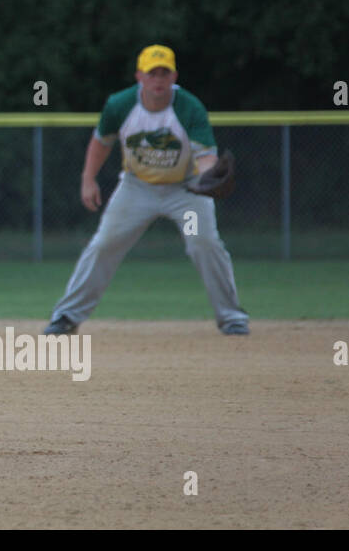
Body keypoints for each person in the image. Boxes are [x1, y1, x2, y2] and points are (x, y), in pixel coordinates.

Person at [43, 45, 250, 336]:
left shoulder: (189, 107)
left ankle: (232, 318)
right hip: (136, 189)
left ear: (174, 76)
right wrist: (88, 178)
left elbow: (205, 157)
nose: (158, 80)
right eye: (152, 73)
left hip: (186, 191)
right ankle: (66, 317)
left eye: (164, 73)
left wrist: (209, 178)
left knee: (203, 242)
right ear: (139, 76)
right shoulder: (120, 104)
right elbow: (102, 141)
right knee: (104, 245)